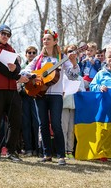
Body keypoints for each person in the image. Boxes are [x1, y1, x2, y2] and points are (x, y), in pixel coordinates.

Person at [22, 29, 79, 165]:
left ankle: (61, 155)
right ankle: (47, 154)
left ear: (54, 42)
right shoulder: (39, 58)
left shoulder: (61, 57)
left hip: (56, 95)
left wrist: (74, 62)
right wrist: (33, 76)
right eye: (44, 39)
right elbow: (25, 70)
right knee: (42, 125)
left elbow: (73, 75)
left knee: (56, 124)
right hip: (40, 93)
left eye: (48, 39)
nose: (45, 41)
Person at [0, 24, 29, 162]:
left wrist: (16, 68)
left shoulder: (11, 49)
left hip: (11, 89)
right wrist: (15, 75)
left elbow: (18, 66)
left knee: (15, 120)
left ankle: (11, 151)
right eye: (3, 33)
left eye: (8, 35)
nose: (5, 36)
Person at [61, 44, 85, 160]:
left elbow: (83, 89)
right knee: (63, 127)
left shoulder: (78, 72)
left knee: (71, 129)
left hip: (74, 104)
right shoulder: (63, 70)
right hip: (64, 103)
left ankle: (70, 151)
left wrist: (78, 89)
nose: (72, 53)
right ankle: (63, 150)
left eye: (74, 51)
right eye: (69, 51)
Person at [20, 46, 40, 156]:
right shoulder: (22, 67)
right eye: (29, 52)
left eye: (33, 52)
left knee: (36, 123)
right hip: (25, 96)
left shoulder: (38, 66)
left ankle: (37, 148)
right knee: (26, 123)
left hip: (36, 97)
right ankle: (28, 148)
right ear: (26, 54)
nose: (31, 54)